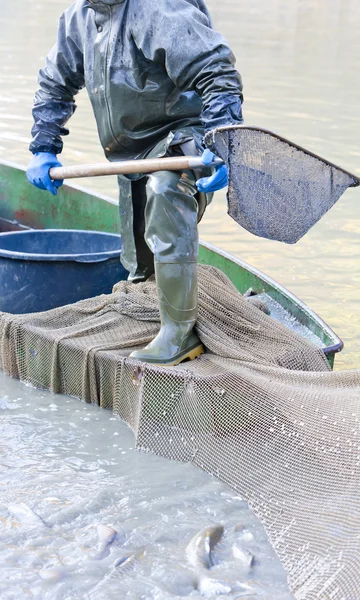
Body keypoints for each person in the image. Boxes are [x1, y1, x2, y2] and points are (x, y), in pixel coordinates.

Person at [26, 0, 243, 366]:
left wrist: (224, 143)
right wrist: (44, 146)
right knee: (140, 264)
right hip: (128, 155)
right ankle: (150, 302)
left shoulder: (158, 8)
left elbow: (217, 72)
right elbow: (55, 83)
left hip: (182, 138)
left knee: (165, 189)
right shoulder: (78, 18)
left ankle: (180, 333)